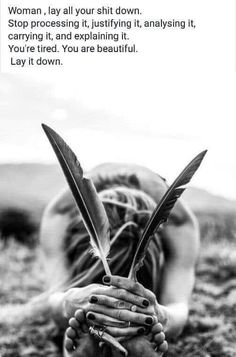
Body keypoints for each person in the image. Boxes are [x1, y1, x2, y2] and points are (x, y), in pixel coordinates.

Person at [40, 163, 200, 357]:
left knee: (149, 313)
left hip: (146, 288)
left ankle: (130, 323)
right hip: (81, 273)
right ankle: (89, 320)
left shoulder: (180, 224)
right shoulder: (59, 215)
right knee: (72, 310)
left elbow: (178, 304)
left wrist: (159, 316)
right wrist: (70, 301)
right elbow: (55, 296)